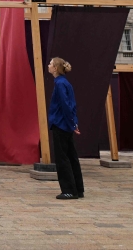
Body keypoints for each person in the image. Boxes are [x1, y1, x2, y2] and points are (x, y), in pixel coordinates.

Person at [48, 56, 83, 200]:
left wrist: (70, 123)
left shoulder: (60, 84)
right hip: (66, 124)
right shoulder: (64, 83)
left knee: (62, 158)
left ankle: (69, 190)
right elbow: (72, 105)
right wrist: (74, 123)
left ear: (56, 68)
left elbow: (66, 106)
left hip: (61, 124)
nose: (48, 66)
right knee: (71, 157)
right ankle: (78, 189)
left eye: (50, 64)